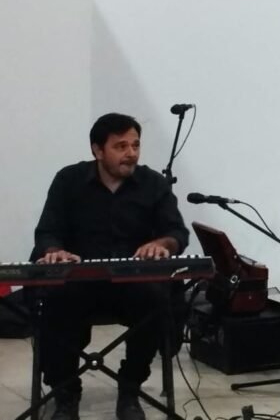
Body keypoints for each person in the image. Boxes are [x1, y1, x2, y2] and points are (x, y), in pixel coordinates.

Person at [32, 113, 189, 420]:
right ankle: (65, 394)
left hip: (133, 284)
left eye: (135, 145)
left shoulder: (153, 184)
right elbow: (47, 231)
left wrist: (163, 244)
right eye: (120, 146)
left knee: (157, 303)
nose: (131, 153)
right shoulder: (68, 180)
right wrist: (54, 251)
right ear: (97, 150)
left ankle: (130, 388)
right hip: (79, 283)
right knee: (54, 306)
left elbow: (177, 232)